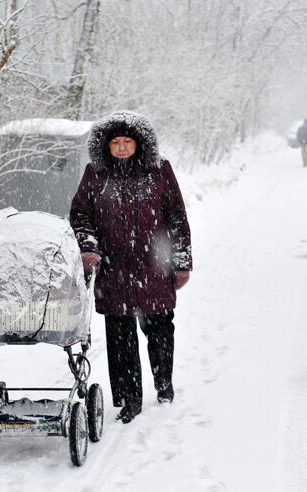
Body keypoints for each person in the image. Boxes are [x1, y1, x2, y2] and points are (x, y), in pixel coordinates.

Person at [69, 111, 192, 424]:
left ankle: (164, 385)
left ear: (139, 143)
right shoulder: (95, 174)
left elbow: (176, 216)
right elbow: (81, 215)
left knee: (160, 329)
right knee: (120, 337)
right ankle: (128, 398)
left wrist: (181, 262)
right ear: (106, 146)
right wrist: (89, 248)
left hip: (154, 266)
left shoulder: (160, 171)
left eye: (127, 142)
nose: (121, 148)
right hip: (113, 269)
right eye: (115, 142)